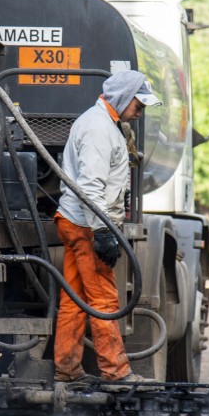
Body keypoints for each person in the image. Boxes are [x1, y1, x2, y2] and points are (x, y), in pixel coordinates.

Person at [53, 69, 162, 385]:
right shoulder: (99, 129)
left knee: (75, 301)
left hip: (75, 222)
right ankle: (116, 373)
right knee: (103, 302)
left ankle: (67, 370)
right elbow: (90, 185)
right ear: (123, 97)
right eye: (138, 105)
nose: (140, 112)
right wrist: (102, 231)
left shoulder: (105, 124)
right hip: (87, 227)